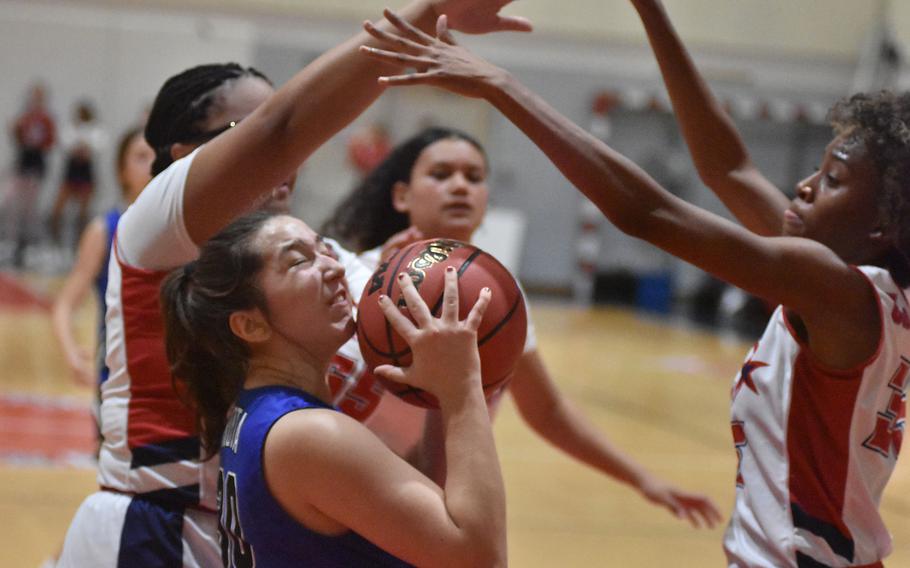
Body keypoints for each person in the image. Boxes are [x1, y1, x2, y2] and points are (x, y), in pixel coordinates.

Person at [361, 8, 910, 567]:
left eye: (833, 180)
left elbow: (644, 212)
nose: (804, 186)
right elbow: (730, 168)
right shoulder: (871, 291)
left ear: (881, 225)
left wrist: (500, 86)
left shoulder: (832, 290)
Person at [56, 2, 530, 566]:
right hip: (154, 523)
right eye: (242, 134)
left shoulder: (319, 269)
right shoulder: (152, 227)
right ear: (183, 158)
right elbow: (283, 130)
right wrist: (428, 13)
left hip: (244, 531)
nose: (281, 157)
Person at [323, 126, 721, 526]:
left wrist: (642, 479)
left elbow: (547, 410)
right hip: (355, 506)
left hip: (446, 511)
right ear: (402, 196)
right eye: (441, 174)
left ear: (486, 198)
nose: (460, 186)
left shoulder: (500, 300)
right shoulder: (354, 279)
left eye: (474, 177)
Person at [160, 210, 505, 567]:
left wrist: (439, 388)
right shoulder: (309, 434)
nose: (335, 268)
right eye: (298, 261)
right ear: (250, 325)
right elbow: (481, 557)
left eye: (326, 250)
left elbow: (415, 499)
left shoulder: (267, 412)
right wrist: (462, 388)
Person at [52, 126, 154, 389]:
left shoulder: (180, 228)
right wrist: (71, 353)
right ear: (122, 171)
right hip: (117, 378)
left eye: (157, 156)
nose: (152, 164)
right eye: (141, 156)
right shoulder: (104, 230)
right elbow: (64, 305)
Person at [6, 83, 55, 268]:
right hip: (23, 163)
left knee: (31, 208)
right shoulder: (24, 117)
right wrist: (15, 129)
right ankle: (14, 245)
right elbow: (17, 138)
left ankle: (29, 247)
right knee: (15, 205)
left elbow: (49, 142)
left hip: (36, 165)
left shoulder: (46, 120)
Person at [49, 100, 108, 248]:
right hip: (72, 170)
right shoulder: (71, 128)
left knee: (83, 212)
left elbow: (96, 147)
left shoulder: (95, 130)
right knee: (57, 210)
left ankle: (79, 244)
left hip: (85, 171)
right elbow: (65, 144)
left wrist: (84, 146)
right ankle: (56, 243)